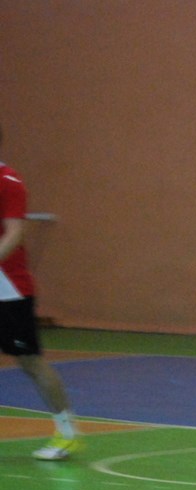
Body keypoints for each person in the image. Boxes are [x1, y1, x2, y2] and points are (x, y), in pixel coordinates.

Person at [1, 123, 81, 461]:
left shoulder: (8, 182)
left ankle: (67, 434)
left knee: (30, 362)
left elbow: (14, 234)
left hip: (9, 290)